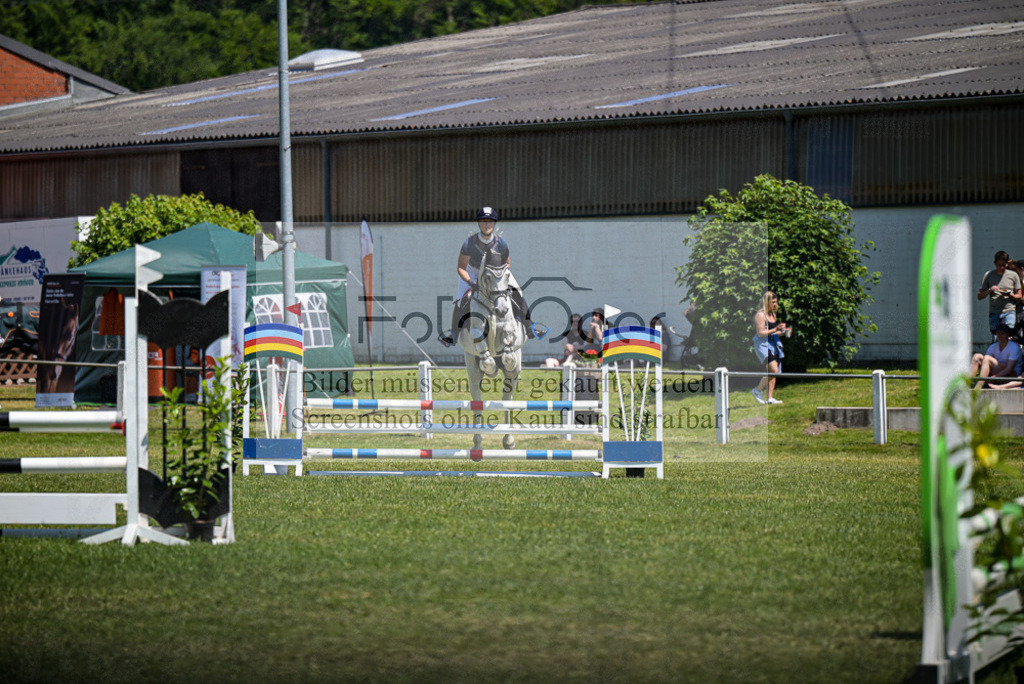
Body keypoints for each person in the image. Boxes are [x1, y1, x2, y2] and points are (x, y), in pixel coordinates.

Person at [438, 206, 535, 347]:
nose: (487, 224)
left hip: (496, 273)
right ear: (479, 223)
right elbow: (461, 267)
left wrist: (499, 278)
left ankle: (529, 326)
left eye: (490, 221)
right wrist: (470, 281)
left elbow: (507, 264)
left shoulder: (501, 243)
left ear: (494, 223)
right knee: (461, 300)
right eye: (484, 221)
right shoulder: (469, 243)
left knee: (518, 292)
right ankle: (453, 334)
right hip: (472, 272)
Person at [751, 291, 789, 405]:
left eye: (776, 302)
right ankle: (757, 390)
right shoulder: (760, 315)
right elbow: (760, 333)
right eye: (772, 302)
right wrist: (775, 329)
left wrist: (784, 332)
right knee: (774, 369)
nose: (775, 304)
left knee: (773, 371)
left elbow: (773, 333)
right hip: (762, 345)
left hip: (772, 343)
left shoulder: (772, 314)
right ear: (766, 302)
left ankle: (770, 398)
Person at [977, 250, 1022, 337]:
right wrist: (989, 290)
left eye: (1004, 265)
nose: (1001, 267)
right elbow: (979, 296)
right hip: (994, 312)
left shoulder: (1013, 275)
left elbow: (1019, 295)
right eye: (999, 265)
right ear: (995, 263)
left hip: (1009, 310)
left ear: (1007, 263)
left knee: (1008, 338)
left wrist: (1011, 295)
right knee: (996, 338)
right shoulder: (989, 275)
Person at [970, 323, 1023, 389]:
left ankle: (978, 387)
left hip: (1012, 375)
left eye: (1002, 333)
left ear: (1007, 334)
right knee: (977, 356)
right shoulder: (993, 347)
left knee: (987, 358)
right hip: (997, 371)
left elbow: (1008, 369)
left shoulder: (1013, 347)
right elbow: (985, 363)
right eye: (998, 333)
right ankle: (968, 383)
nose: (1000, 336)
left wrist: (994, 377)